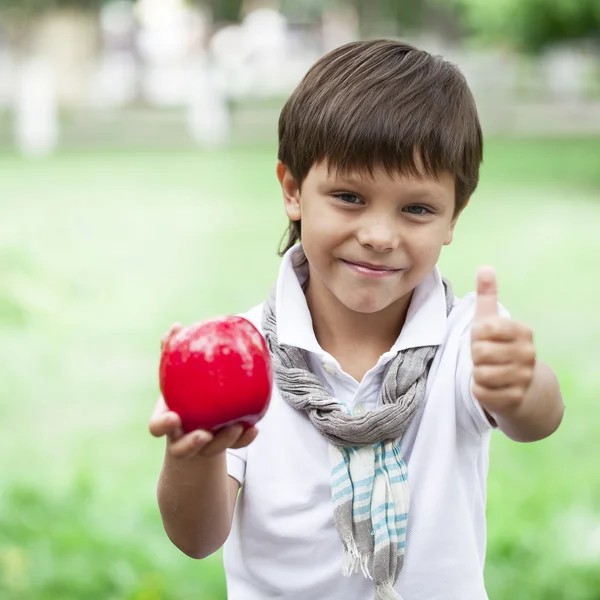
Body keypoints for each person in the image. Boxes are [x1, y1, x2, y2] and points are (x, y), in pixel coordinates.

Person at [149, 39, 564, 600]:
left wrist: (519, 385)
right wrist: (193, 454)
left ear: (453, 217)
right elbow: (197, 539)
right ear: (294, 191)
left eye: (416, 209)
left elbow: (538, 419)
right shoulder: (245, 355)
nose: (379, 235)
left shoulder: (469, 337)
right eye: (348, 196)